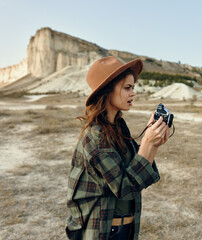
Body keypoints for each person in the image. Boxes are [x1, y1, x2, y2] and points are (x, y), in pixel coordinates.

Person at [66, 56, 170, 240]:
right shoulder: (95, 135)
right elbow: (124, 188)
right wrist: (147, 143)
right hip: (103, 231)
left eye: (133, 87)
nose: (133, 93)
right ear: (107, 91)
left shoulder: (118, 126)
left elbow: (135, 173)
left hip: (126, 229)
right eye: (127, 88)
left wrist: (153, 144)